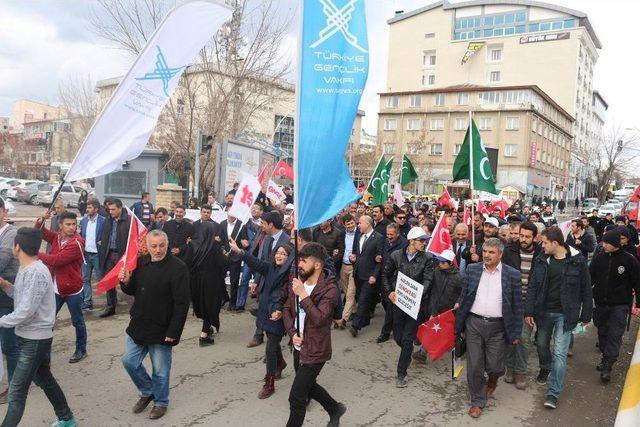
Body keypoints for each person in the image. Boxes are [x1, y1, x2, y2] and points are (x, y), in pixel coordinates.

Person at [0, 227, 78, 427]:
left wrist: (2, 321)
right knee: (45, 380)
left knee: (16, 392)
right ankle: (67, 418)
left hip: (34, 340)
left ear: (17, 247)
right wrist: (6, 285)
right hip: (29, 337)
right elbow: (22, 297)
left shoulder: (36, 271)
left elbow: (26, 310)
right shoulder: (27, 268)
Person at [119, 230, 190, 420]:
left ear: (167, 245)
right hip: (140, 323)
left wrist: (173, 331)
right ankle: (147, 390)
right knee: (129, 361)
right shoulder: (142, 261)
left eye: (161, 246)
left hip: (163, 328)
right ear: (148, 246)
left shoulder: (178, 267)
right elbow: (133, 289)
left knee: (160, 371)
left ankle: (160, 402)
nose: (158, 250)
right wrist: (125, 282)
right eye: (154, 246)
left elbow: (182, 303)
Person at [454, 238, 523, 419]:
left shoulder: (512, 275)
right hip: (474, 324)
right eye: (485, 251)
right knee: (475, 365)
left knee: (495, 366)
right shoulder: (472, 269)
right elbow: (465, 296)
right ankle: (477, 401)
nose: (486, 255)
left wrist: (515, 332)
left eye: (491, 252)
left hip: (498, 327)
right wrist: (459, 321)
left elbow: (517, 306)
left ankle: (492, 380)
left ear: (500, 254)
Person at [525, 227, 592, 409]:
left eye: (545, 242)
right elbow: (532, 286)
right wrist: (529, 311)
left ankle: (553, 393)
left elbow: (586, 289)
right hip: (543, 313)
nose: (542, 245)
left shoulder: (578, 261)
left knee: (560, 353)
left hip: (566, 315)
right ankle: (545, 367)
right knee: (541, 344)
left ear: (555, 243)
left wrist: (586, 314)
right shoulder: (541, 259)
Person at [282, 243, 346, 427]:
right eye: (299, 260)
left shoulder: (330, 289)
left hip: (316, 350)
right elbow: (286, 309)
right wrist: (293, 333)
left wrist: (303, 295)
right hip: (298, 346)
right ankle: (335, 408)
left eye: (304, 261)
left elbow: (319, 319)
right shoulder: (298, 282)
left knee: (296, 397)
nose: (299, 264)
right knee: (308, 386)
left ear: (317, 265)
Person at [229, 238, 294, 398]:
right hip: (265, 311)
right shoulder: (270, 267)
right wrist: (240, 251)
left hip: (278, 314)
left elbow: (283, 294)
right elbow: (255, 262)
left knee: (270, 347)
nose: (279, 256)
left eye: (283, 254)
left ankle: (269, 383)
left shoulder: (289, 274)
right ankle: (281, 363)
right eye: (277, 252)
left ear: (289, 257)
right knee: (271, 340)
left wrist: (278, 310)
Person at [383, 227, 433, 386]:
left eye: (425, 240)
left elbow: (428, 280)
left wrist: (417, 296)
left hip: (415, 305)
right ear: (412, 241)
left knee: (406, 340)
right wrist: (390, 291)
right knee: (398, 336)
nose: (424, 243)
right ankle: (408, 349)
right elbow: (386, 275)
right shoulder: (396, 255)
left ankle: (401, 373)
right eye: (421, 240)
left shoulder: (428, 258)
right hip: (398, 303)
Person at [35, 211, 87, 363]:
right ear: (61, 225)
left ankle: (81, 349)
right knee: (48, 321)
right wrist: (41, 220)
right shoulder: (57, 237)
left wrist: (35, 254)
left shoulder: (77, 243)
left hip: (73, 290)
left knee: (77, 321)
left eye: (74, 224)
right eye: (68, 224)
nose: (72, 227)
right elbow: (41, 233)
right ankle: (44, 354)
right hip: (56, 289)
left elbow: (56, 260)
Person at [589, 229, 640, 382]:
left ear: (615, 244)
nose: (603, 245)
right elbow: (590, 279)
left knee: (615, 334)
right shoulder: (599, 258)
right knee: (603, 332)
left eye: (606, 243)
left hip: (620, 305)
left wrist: (638, 304)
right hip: (601, 304)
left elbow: (638, 283)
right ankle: (605, 358)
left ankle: (608, 367)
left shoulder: (629, 260)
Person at [501, 221, 542, 390]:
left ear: (534, 237)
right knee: (511, 337)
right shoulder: (510, 250)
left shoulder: (541, 254)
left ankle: (521, 371)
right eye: (521, 235)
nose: (523, 239)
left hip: (529, 303)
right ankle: (509, 368)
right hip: (511, 301)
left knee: (524, 339)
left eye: (527, 237)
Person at [247, 211, 290, 348]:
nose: (261, 226)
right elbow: (262, 262)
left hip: (279, 284)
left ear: (271, 224)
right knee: (261, 308)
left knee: (275, 311)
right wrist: (256, 281)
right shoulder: (266, 239)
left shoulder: (288, 240)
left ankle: (273, 346)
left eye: (263, 223)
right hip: (265, 281)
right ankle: (258, 334)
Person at [188, 220, 227, 346]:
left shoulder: (193, 244)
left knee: (202, 305)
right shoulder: (214, 246)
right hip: (210, 282)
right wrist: (226, 255)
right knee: (210, 306)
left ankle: (208, 328)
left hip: (196, 281)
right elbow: (222, 262)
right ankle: (204, 336)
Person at [349, 215, 384, 337]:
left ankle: (355, 326)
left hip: (369, 276)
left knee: (363, 300)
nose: (358, 225)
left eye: (360, 223)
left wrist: (374, 275)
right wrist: (353, 258)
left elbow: (380, 259)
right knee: (361, 298)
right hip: (358, 273)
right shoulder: (359, 236)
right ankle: (365, 319)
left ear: (368, 224)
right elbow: (358, 254)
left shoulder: (379, 238)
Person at [98, 198, 132, 318]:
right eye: (109, 209)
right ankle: (110, 306)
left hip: (122, 256)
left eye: (113, 209)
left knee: (125, 281)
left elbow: (132, 240)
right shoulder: (108, 219)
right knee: (109, 282)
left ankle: (136, 303)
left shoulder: (129, 221)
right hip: (108, 254)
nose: (110, 212)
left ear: (120, 208)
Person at [0, 198, 19, 404]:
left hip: (7, 294)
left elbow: (2, 261)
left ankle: (14, 386)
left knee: (9, 344)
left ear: (3, 211)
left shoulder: (10, 234)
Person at [376, 222, 407, 343]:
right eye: (387, 234)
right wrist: (378, 255)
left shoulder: (404, 244)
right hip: (385, 276)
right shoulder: (384, 241)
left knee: (390, 306)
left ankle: (386, 333)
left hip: (396, 279)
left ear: (398, 234)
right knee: (385, 301)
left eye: (391, 234)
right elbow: (380, 252)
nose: (389, 236)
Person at [236, 204, 264, 312]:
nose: (254, 210)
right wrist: (242, 240)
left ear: (261, 211)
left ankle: (259, 305)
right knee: (244, 280)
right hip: (249, 256)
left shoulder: (264, 224)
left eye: (256, 208)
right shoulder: (246, 223)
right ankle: (240, 304)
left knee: (259, 282)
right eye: (252, 208)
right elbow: (242, 237)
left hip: (260, 257)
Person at [79, 200, 105, 311]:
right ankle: (87, 302)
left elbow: (107, 236)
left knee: (101, 278)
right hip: (86, 255)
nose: (87, 209)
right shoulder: (84, 221)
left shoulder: (103, 221)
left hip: (98, 255)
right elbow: (80, 235)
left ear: (96, 209)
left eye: (90, 207)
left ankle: (111, 301)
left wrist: (102, 242)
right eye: (87, 207)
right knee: (85, 279)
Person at [220, 212, 246, 311]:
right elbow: (220, 239)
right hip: (224, 256)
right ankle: (225, 296)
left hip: (235, 257)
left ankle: (233, 302)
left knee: (234, 281)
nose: (231, 215)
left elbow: (244, 239)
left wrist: (242, 245)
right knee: (219, 277)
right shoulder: (222, 224)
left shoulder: (241, 224)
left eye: (233, 213)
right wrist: (222, 249)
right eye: (229, 213)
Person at [338, 214, 359, 329]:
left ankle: (343, 319)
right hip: (343, 266)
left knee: (350, 293)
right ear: (344, 225)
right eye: (348, 224)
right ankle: (354, 311)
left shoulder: (359, 233)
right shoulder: (342, 234)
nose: (351, 225)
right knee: (347, 292)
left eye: (352, 223)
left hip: (354, 267)